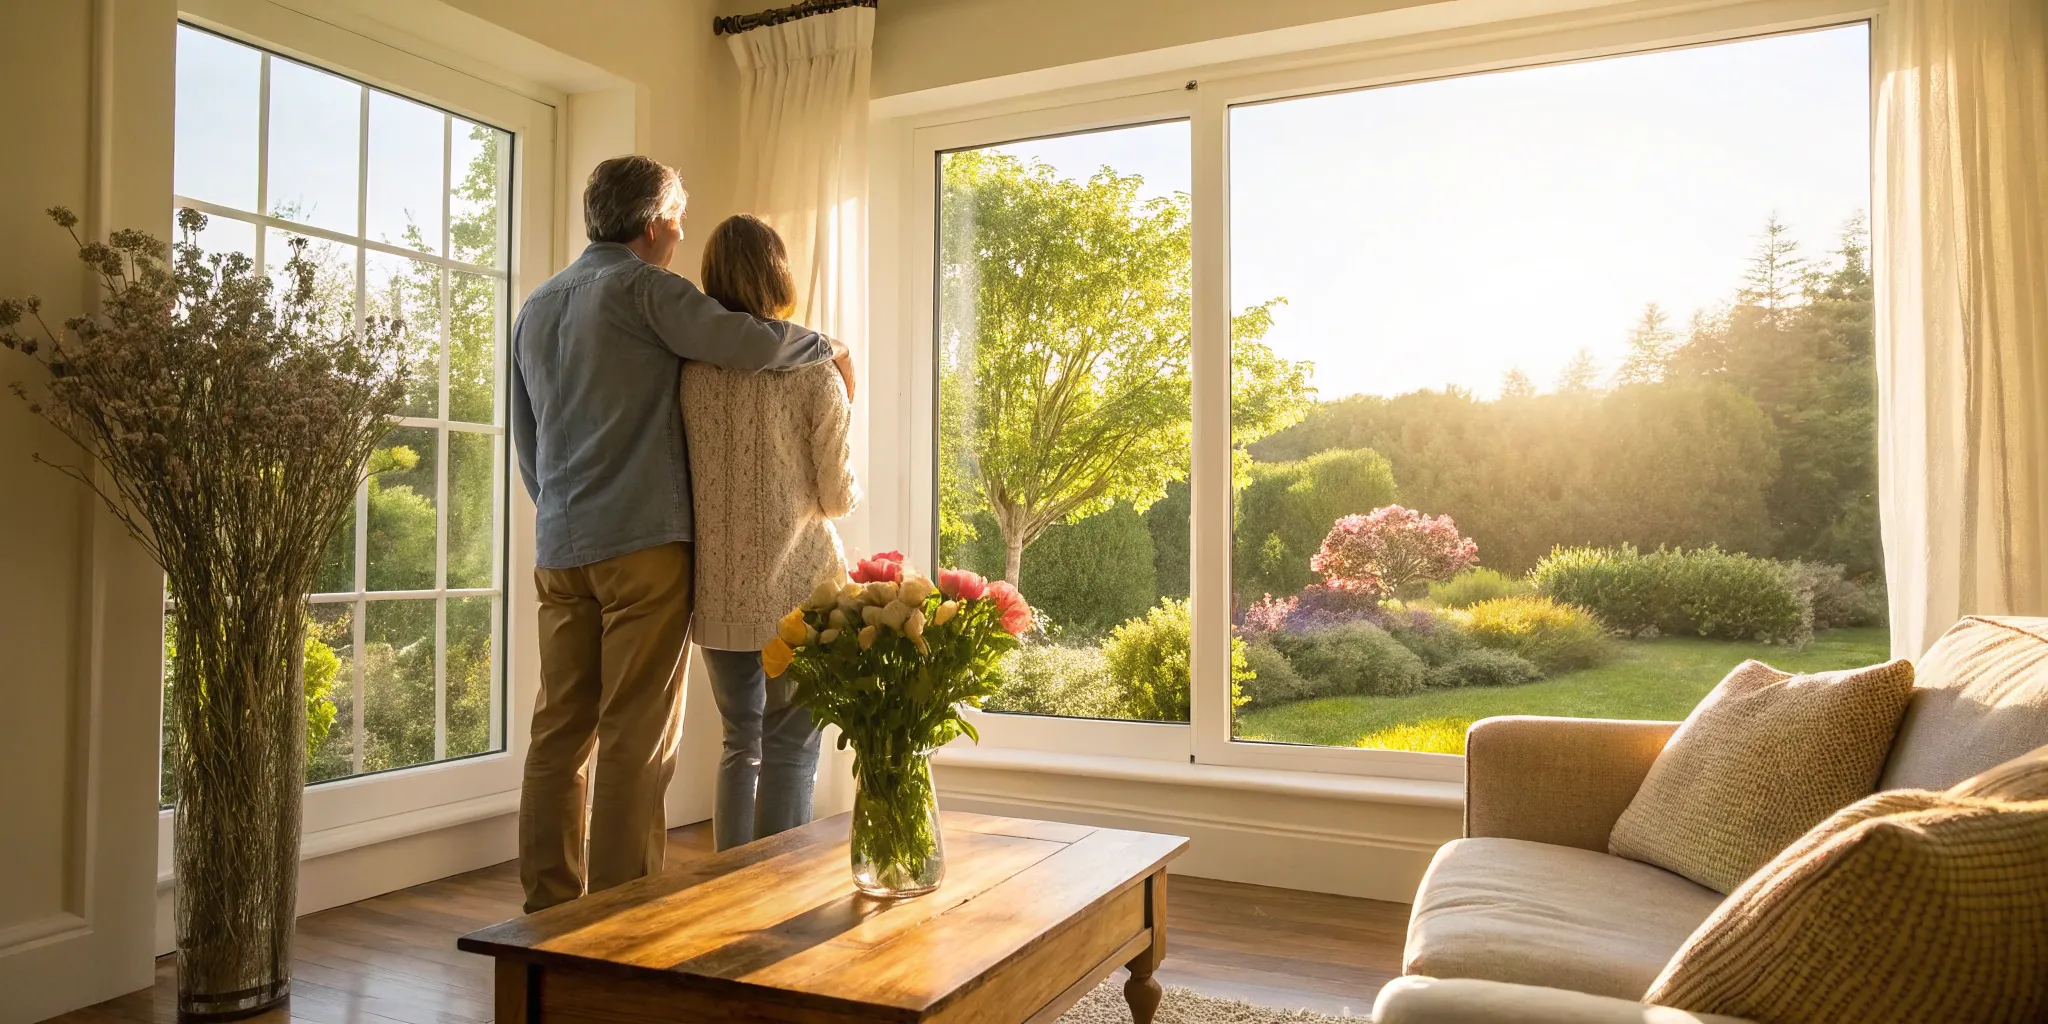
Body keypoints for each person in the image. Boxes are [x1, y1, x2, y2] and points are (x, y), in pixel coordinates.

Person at [509, 156, 854, 913]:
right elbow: (754, 343)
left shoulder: (536, 306)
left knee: (559, 730)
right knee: (637, 734)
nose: (679, 234)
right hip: (643, 550)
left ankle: (547, 907)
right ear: (656, 222)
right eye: (678, 220)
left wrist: (566, 512)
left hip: (560, 548)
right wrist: (827, 345)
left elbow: (528, 445)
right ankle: (619, 917)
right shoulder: (644, 289)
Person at [682, 214, 857, 851]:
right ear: (778, 274)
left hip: (719, 592)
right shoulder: (816, 371)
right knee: (789, 743)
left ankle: (728, 887)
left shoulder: (692, 372)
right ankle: (775, 892)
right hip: (797, 595)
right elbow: (837, 498)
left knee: (740, 744)